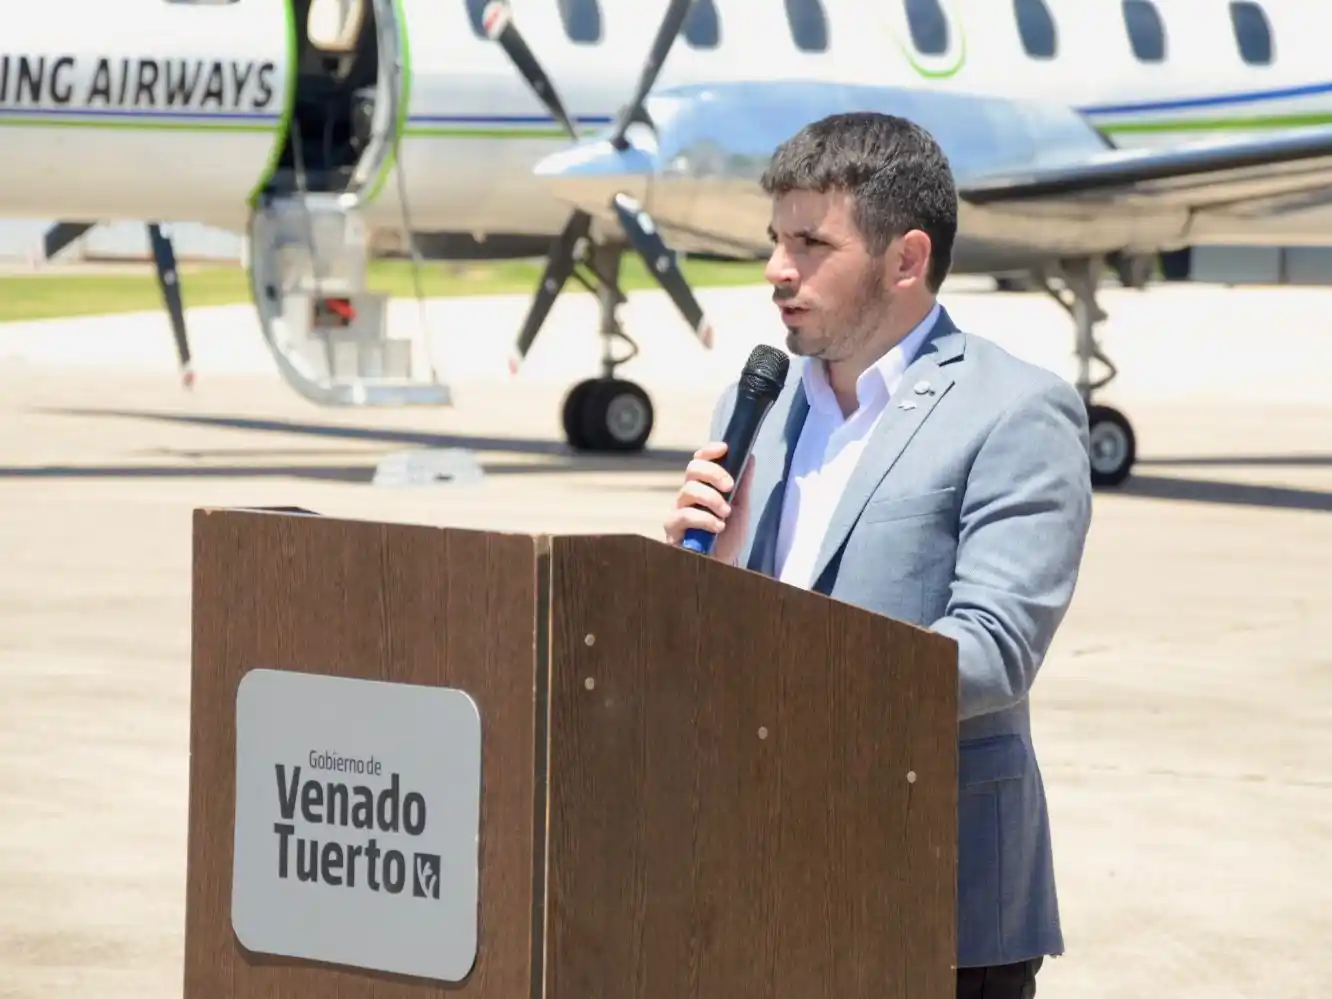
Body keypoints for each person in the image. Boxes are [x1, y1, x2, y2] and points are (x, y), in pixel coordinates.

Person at [663, 111, 1094, 999]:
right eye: (776, 241)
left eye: (811, 244)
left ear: (906, 259)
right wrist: (698, 578)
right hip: (756, 881)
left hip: (934, 895)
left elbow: (993, 649)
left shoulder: (1015, 410)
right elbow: (706, 647)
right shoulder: (757, 410)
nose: (778, 271)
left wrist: (790, 664)